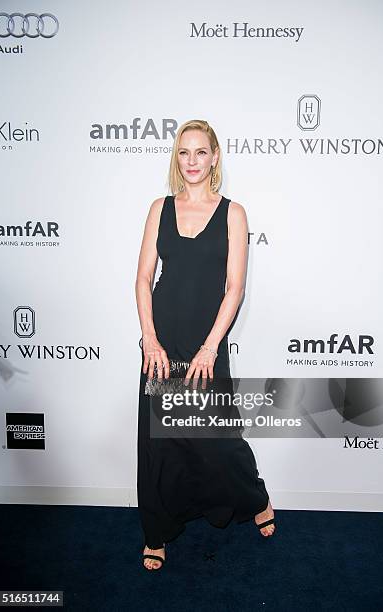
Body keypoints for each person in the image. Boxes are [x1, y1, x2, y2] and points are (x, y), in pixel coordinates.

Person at [135, 119, 275, 571]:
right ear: (176, 159)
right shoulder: (159, 208)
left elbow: (234, 287)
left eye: (200, 152)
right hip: (163, 341)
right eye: (183, 153)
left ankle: (255, 497)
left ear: (215, 156)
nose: (191, 161)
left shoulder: (234, 212)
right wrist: (150, 341)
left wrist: (210, 348)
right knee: (162, 444)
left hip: (207, 342)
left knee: (217, 440)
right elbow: (142, 280)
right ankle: (157, 533)